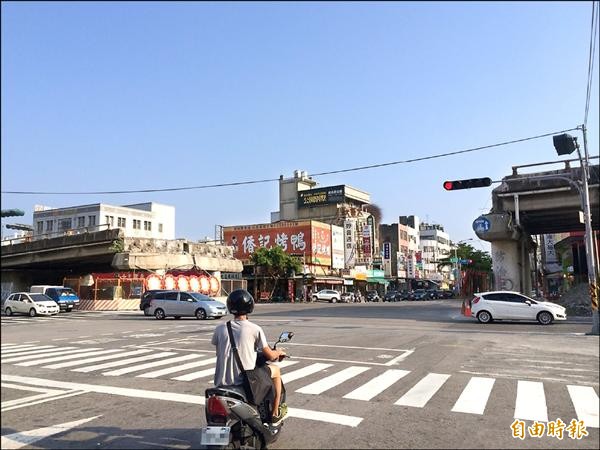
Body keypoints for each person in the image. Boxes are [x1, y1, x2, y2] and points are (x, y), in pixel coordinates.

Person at [211, 289, 288, 424]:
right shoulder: (254, 329)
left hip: (220, 384)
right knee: (275, 369)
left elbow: (220, 352)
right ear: (250, 307)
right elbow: (270, 355)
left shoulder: (220, 329)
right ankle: (275, 413)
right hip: (244, 382)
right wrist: (279, 352)